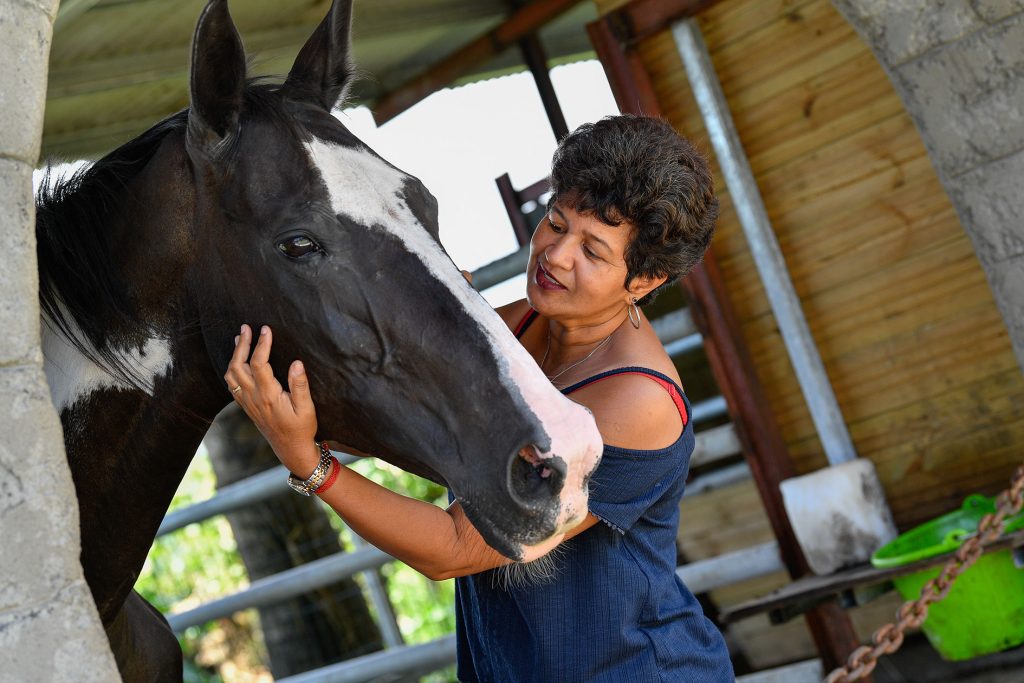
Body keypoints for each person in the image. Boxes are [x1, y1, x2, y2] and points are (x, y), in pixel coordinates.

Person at [224, 114, 734, 681]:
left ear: (643, 281)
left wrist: (310, 465)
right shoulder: (519, 326)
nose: (556, 255)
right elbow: (390, 421)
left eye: (593, 251)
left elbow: (455, 547)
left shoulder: (638, 402)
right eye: (555, 222)